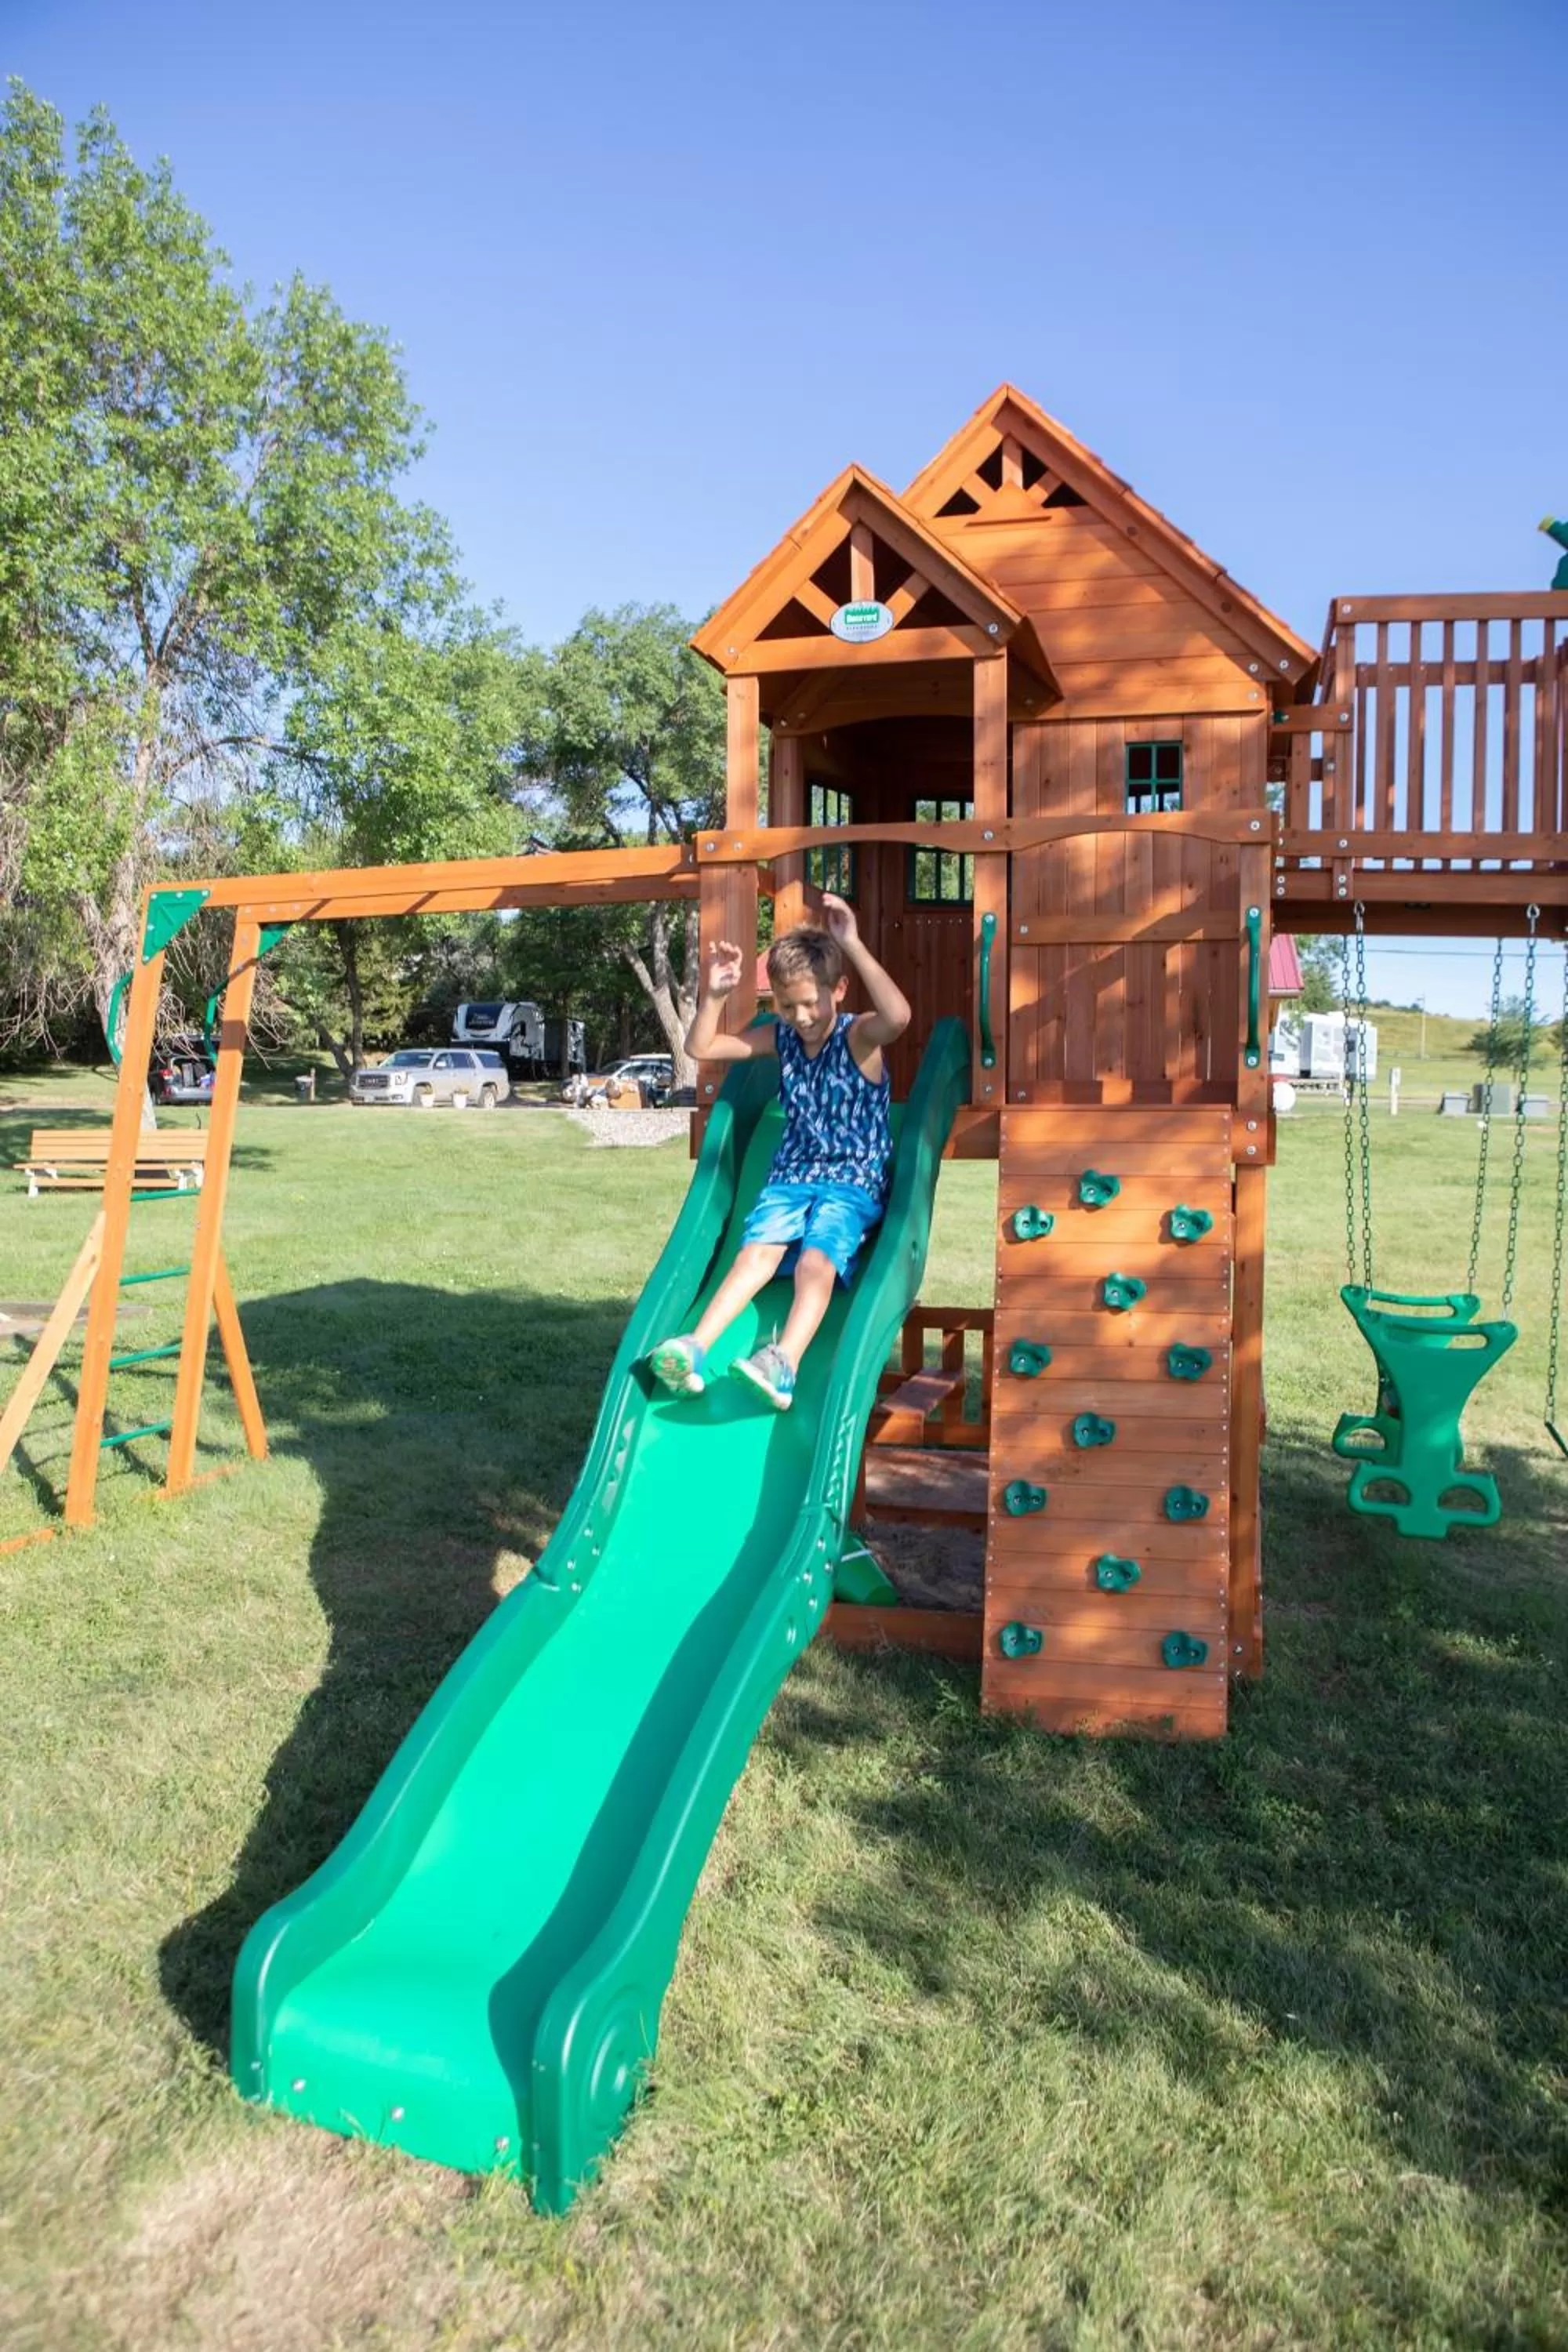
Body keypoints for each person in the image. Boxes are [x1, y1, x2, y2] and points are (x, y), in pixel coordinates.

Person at [648, 894, 911, 1410]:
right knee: (755, 1255)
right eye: (788, 1006)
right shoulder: (782, 1038)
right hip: (792, 1174)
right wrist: (718, 995)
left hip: (852, 1179)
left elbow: (898, 1017)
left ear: (838, 989)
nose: (802, 1015)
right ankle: (694, 1348)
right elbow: (702, 1049)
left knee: (816, 1263)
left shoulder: (858, 1036)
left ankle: (784, 1362)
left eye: (812, 1002)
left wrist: (851, 942)